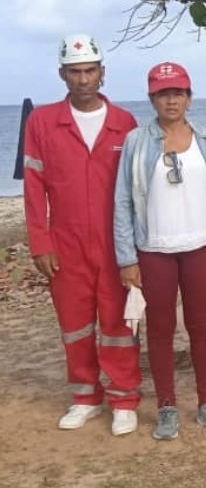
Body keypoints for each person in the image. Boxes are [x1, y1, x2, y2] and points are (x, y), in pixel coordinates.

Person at [114, 61, 206, 441]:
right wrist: (127, 258)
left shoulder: (205, 140)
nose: (172, 100)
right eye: (163, 93)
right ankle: (167, 405)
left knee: (202, 326)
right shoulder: (137, 142)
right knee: (160, 328)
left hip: (201, 245)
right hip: (154, 249)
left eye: (178, 93)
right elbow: (123, 202)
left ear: (189, 97)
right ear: (152, 98)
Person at [23, 34, 141, 436]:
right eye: (75, 71)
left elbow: (138, 188)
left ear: (102, 72)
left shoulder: (125, 123)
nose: (84, 78)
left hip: (116, 243)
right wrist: (40, 240)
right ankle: (85, 396)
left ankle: (124, 397)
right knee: (74, 324)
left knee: (118, 322)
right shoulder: (41, 121)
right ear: (62, 74)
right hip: (66, 243)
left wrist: (137, 248)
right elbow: (34, 188)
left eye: (90, 70)